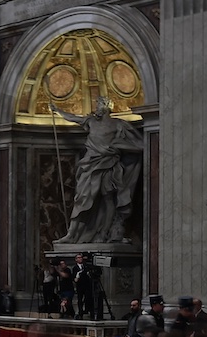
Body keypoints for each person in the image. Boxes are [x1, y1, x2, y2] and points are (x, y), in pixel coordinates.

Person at [50, 96, 144, 244]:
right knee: (82, 198)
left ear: (107, 106)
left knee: (108, 199)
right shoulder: (91, 121)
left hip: (108, 164)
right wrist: (57, 111)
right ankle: (71, 234)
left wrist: (116, 148)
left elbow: (140, 145)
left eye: (98, 104)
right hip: (90, 165)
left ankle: (104, 233)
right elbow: (74, 118)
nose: (96, 108)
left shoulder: (118, 125)